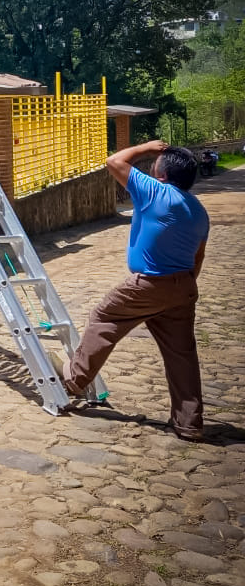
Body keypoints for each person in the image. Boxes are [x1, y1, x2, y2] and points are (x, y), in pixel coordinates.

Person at [57, 140, 210, 440]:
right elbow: (199, 256)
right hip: (183, 286)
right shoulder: (198, 210)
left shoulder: (155, 191)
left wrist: (150, 148)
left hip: (148, 284)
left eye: (155, 167)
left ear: (162, 174)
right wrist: (182, 287)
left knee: (104, 318)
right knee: (182, 356)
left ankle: (75, 380)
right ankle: (189, 423)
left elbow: (114, 161)